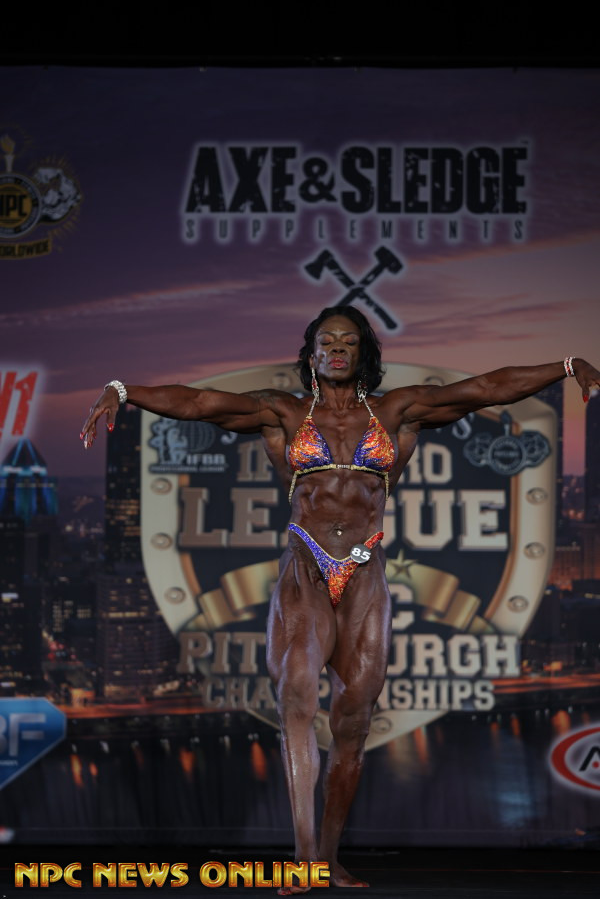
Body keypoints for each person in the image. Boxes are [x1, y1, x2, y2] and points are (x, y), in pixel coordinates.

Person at [81, 308, 600, 893]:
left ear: (361, 353)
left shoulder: (397, 411)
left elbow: (483, 389)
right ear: (311, 353)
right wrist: (122, 390)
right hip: (305, 569)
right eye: (326, 340)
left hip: (365, 574)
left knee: (352, 728)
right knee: (297, 700)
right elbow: (199, 402)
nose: (336, 348)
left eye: (347, 341)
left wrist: (564, 366)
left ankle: (328, 858)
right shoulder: (283, 412)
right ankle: (303, 859)